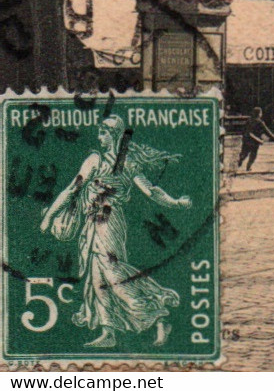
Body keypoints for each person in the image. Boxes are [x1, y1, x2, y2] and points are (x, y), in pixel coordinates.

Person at [39, 115, 191, 349]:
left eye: (103, 133)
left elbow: (151, 191)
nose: (99, 138)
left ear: (115, 135)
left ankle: (158, 315)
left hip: (109, 223)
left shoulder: (128, 164)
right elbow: (73, 189)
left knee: (113, 273)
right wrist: (50, 215)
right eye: (99, 133)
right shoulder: (94, 160)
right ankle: (108, 331)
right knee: (96, 276)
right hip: (91, 223)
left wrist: (176, 202)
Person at [236, 107, 274, 172]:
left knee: (245, 152)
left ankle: (241, 159)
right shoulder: (260, 122)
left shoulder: (249, 120)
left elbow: (244, 129)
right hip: (255, 141)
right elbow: (266, 130)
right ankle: (249, 166)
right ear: (259, 114)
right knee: (253, 154)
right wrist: (273, 136)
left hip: (246, 139)